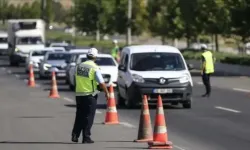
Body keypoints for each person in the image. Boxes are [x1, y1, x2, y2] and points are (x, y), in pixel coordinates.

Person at [71, 48, 109, 144]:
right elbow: (101, 83)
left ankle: (75, 135)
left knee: (79, 115)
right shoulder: (94, 67)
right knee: (88, 116)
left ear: (87, 56)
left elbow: (76, 80)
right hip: (90, 95)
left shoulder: (79, 66)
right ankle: (86, 137)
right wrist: (107, 92)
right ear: (95, 57)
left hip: (79, 94)